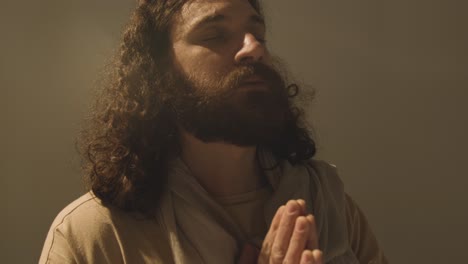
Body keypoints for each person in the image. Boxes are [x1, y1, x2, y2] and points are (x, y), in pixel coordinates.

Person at [39, 0, 388, 263]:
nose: (254, 47)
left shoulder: (331, 204)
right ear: (157, 74)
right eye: (215, 34)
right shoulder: (93, 234)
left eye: (259, 33)